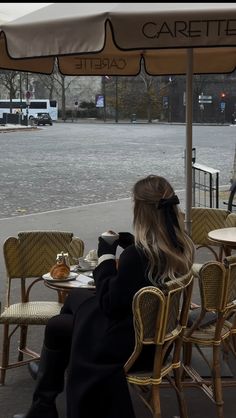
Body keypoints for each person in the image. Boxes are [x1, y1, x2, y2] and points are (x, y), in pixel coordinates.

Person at [13, 174, 194, 418]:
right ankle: (50, 380)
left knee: (60, 323)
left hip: (134, 347)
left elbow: (110, 304)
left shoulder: (138, 257)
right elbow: (139, 281)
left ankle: (46, 394)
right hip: (158, 337)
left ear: (140, 210)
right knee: (75, 302)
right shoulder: (181, 247)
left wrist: (106, 256)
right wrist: (131, 245)